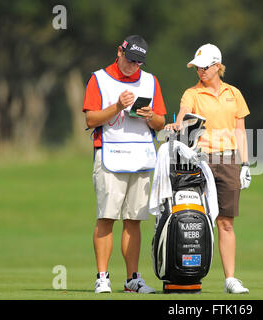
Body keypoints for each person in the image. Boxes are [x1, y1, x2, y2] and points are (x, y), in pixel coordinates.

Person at [165, 43, 252, 294]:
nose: (200, 71)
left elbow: (240, 131)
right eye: (197, 68)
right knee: (193, 219)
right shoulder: (191, 93)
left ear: (217, 66)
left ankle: (230, 279)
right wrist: (178, 123)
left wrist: (245, 163)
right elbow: (183, 113)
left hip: (228, 161)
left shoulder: (233, 94)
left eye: (204, 67)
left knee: (226, 222)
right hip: (199, 161)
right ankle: (188, 273)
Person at [82, 35, 166, 293]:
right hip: (110, 154)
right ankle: (102, 277)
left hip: (140, 158)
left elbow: (161, 123)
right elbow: (91, 118)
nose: (133, 67)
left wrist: (150, 115)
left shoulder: (150, 80)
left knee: (134, 220)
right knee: (106, 217)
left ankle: (133, 279)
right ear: (119, 51)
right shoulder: (99, 78)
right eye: (130, 60)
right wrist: (117, 106)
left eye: (138, 63)